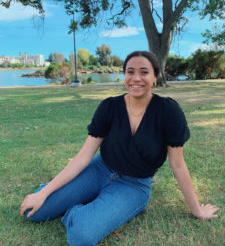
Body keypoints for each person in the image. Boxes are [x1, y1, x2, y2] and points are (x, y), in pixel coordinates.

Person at [20, 51, 219, 246]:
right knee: (35, 212)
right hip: (99, 169)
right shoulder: (109, 107)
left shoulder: (168, 111)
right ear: (124, 76)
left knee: (81, 236)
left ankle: (75, 210)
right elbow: (82, 158)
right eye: (130, 72)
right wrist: (43, 194)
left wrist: (197, 209)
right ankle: (73, 197)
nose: (136, 78)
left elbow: (178, 165)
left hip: (133, 185)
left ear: (155, 78)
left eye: (144, 72)